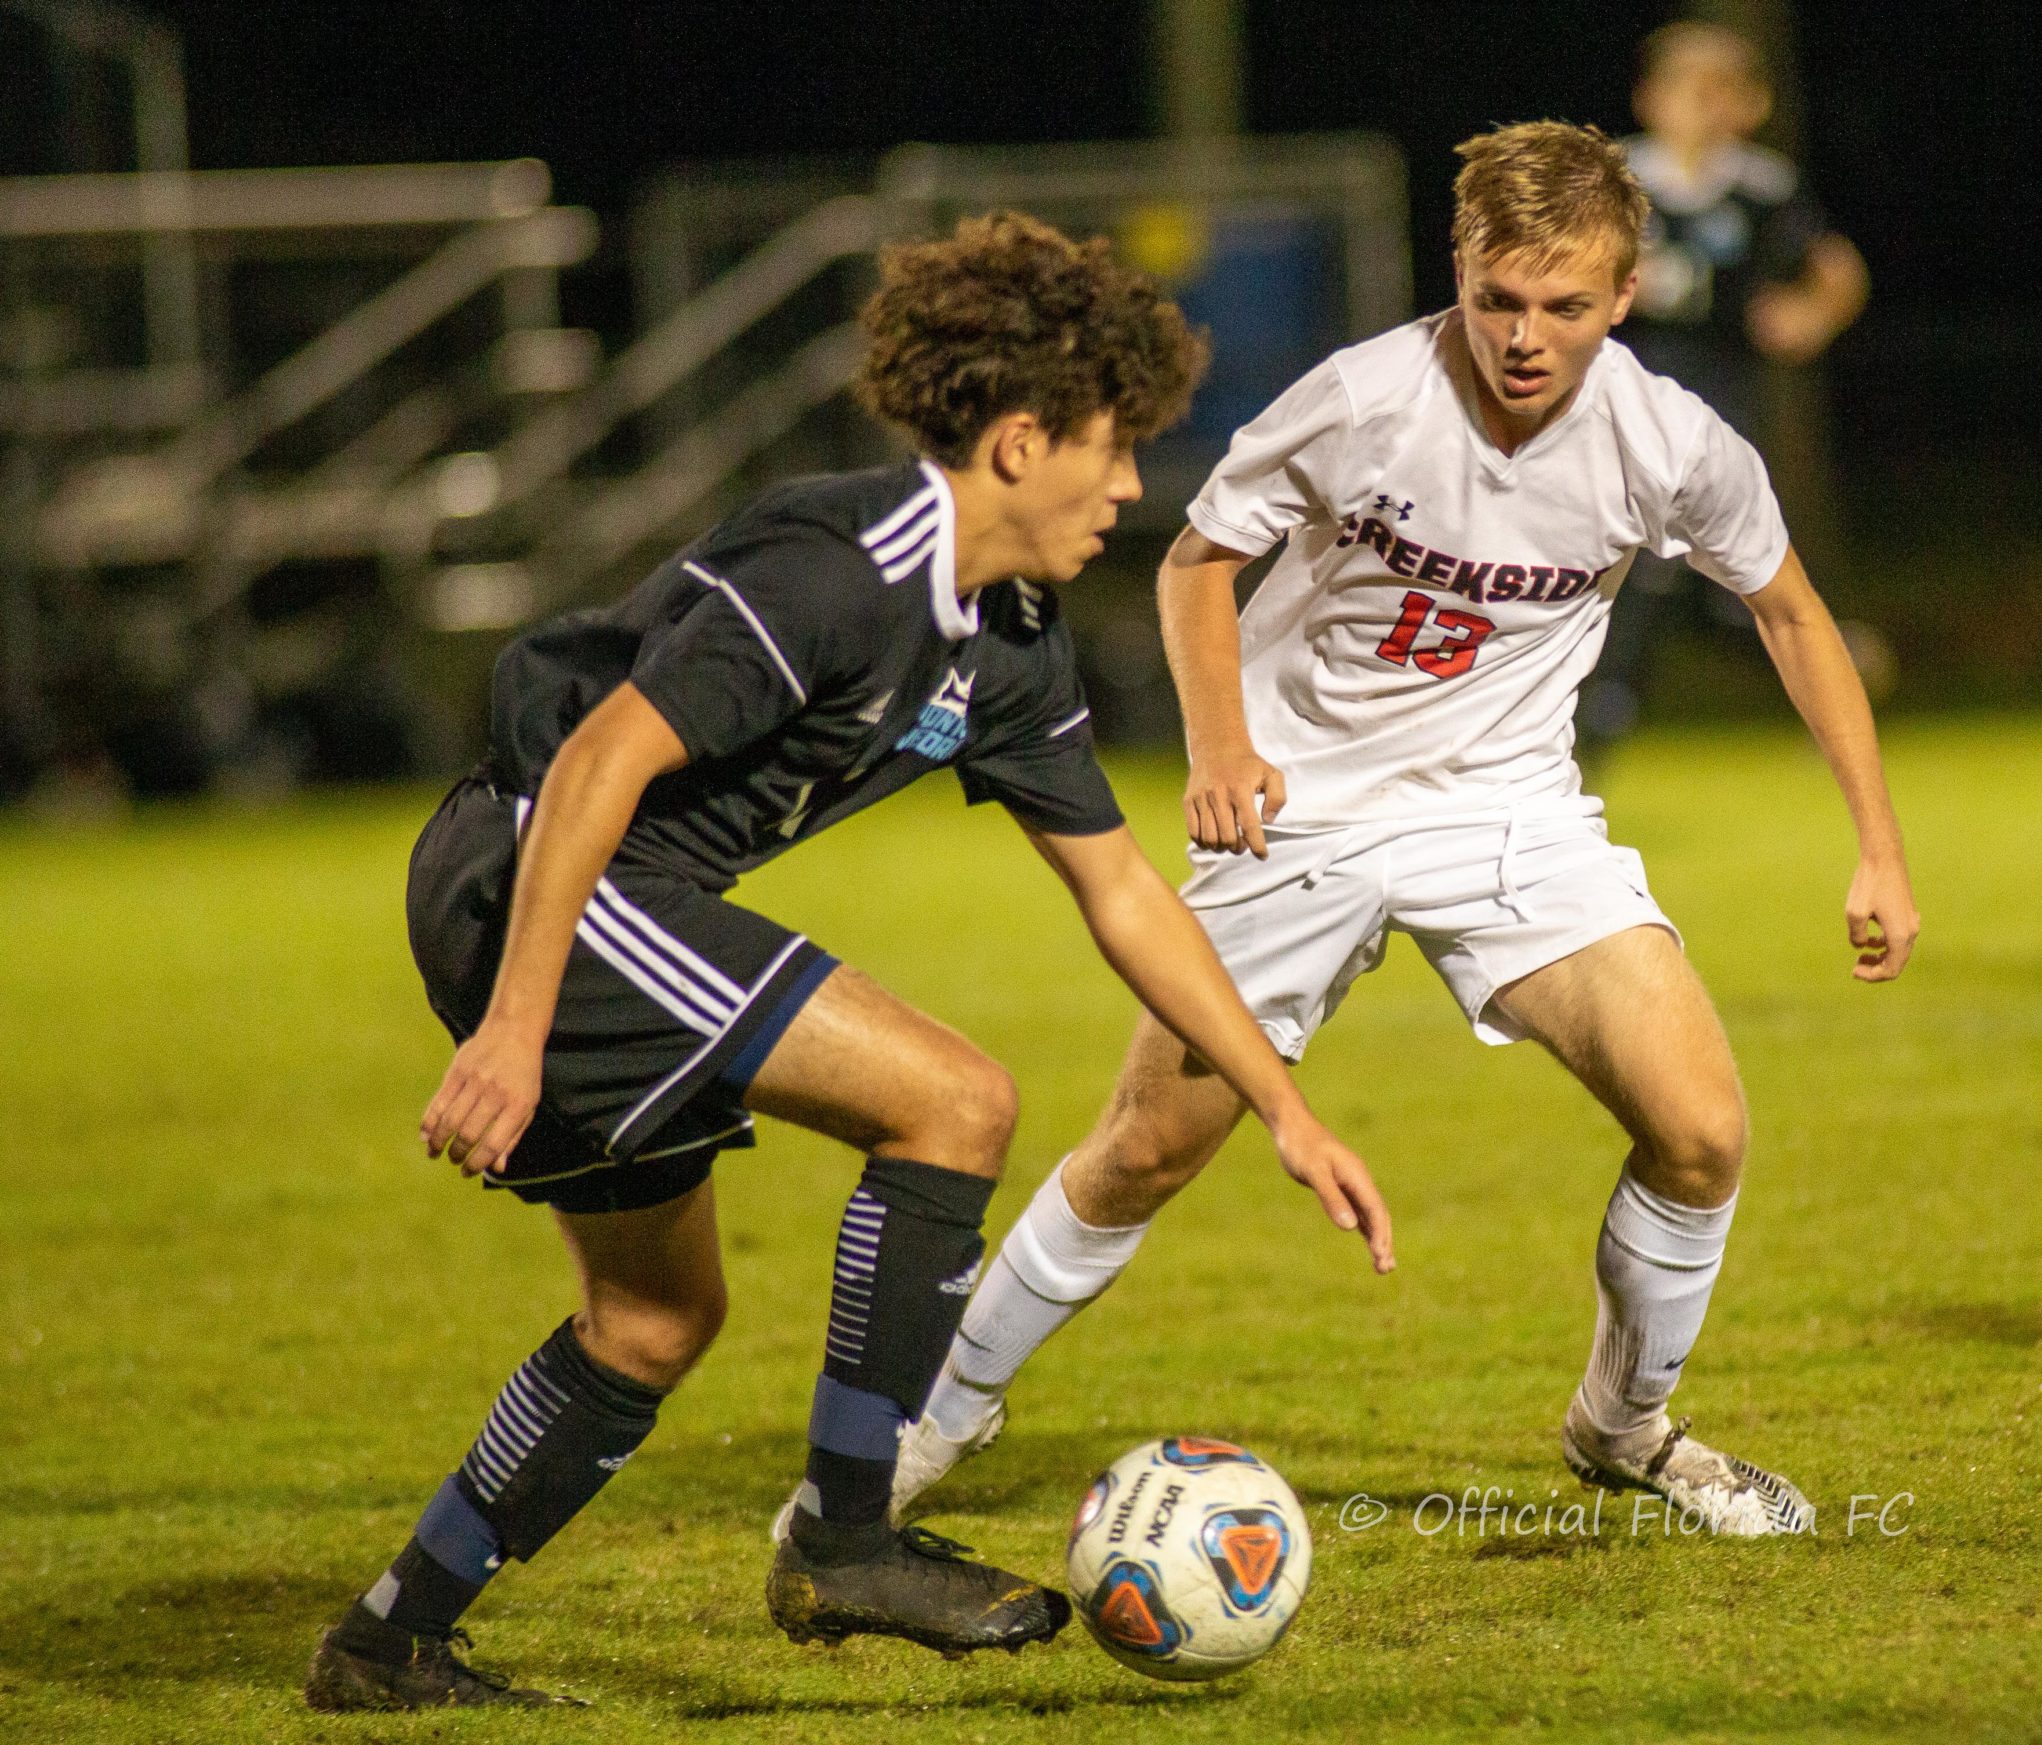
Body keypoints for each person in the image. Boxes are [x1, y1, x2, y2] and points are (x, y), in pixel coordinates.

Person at [302, 211, 1395, 1713]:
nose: (1135, 485)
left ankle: (387, 1640)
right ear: (1020, 443)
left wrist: (1285, 1107)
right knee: (956, 1101)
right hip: (535, 870)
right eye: (1113, 445)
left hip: (606, 896)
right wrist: (512, 1029)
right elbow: (604, 761)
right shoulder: (837, 564)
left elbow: (1126, 888)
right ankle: (847, 1534)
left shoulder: (1010, 642)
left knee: (654, 1322)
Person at [894, 124, 1918, 1540]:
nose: (1524, 336)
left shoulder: (1672, 441)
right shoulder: (1365, 399)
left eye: (1565, 306)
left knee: (1701, 1131)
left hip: (1507, 814)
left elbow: (1793, 615)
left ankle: (1624, 1432)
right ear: (1461, 271)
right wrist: (1221, 746)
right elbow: (1200, 561)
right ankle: (935, 1413)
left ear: (1623, 295)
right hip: (1301, 807)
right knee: (1145, 1148)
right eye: (1499, 298)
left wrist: (1878, 843)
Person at [1581, 20, 1871, 752]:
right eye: (1692, 91)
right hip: (1615, 409)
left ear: (1751, 104)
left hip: (1722, 412)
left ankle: (1823, 667)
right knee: (1640, 579)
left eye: (1725, 93)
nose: (1708, 109)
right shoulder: (1617, 179)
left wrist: (1808, 315)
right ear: (1652, 99)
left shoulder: (1762, 188)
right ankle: (1584, 738)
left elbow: (1838, 272)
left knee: (1700, 579)